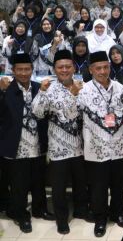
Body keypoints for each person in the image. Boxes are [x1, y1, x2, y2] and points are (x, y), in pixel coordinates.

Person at [31, 50, 89, 234]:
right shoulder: (48, 88)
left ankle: (81, 211)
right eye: (60, 67)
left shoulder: (83, 86)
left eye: (67, 66)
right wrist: (41, 92)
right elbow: (38, 113)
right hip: (58, 148)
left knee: (81, 182)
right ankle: (62, 219)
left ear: (73, 67)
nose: (64, 70)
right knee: (59, 187)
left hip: (80, 146)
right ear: (54, 69)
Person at [0, 54, 54, 233]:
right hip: (16, 146)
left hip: (37, 143)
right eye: (19, 70)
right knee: (19, 183)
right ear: (13, 71)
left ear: (32, 70)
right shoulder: (6, 89)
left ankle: (40, 209)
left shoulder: (39, 88)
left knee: (39, 180)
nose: (24, 73)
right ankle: (21, 215)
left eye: (27, 69)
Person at [77, 51, 123, 237]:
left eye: (105, 67)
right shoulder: (83, 90)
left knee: (118, 183)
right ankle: (100, 218)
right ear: (91, 70)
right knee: (98, 186)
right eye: (98, 68)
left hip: (118, 145)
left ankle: (117, 213)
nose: (102, 71)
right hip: (95, 147)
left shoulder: (120, 88)